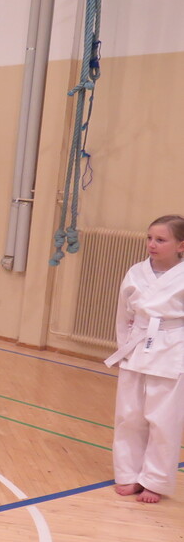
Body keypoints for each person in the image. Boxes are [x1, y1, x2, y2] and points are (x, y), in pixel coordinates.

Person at [105, 214, 184, 503]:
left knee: (163, 420)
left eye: (161, 240)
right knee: (129, 415)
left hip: (173, 347)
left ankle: (154, 480)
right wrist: (123, 348)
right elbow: (123, 314)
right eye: (149, 238)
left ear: (181, 245)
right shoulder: (136, 272)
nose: (152, 244)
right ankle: (128, 474)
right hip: (137, 343)